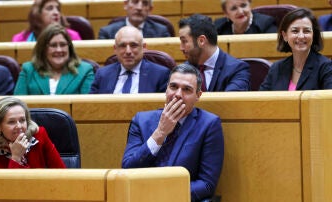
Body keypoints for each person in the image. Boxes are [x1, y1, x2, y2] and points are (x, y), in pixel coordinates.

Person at [122, 63, 224, 201]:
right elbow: (128, 169)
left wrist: (165, 195)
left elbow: (207, 184)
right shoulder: (141, 120)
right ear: (166, 89)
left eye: (187, 89)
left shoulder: (208, 124)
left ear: (198, 95)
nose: (177, 95)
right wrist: (160, 132)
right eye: (173, 87)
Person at [0, 97, 66, 168]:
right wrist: (16, 157)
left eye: (22, 120)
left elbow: (62, 173)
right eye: (11, 122)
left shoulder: (39, 136)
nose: (19, 126)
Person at [260, 8, 332, 91]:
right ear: (285, 36)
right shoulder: (277, 68)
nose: (301, 36)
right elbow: (262, 101)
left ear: (313, 35)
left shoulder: (326, 67)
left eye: (306, 31)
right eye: (295, 31)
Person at [14, 24, 94, 95]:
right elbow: (18, 105)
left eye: (63, 45)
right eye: (53, 45)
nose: (59, 50)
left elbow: (87, 107)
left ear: (69, 47)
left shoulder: (85, 71)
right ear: (43, 48)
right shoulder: (28, 70)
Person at [178, 14, 250, 91]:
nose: (181, 48)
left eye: (184, 41)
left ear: (201, 41)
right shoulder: (181, 70)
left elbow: (230, 102)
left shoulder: (237, 69)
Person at [90, 26, 170, 94]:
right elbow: (90, 106)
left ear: (144, 47)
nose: (128, 51)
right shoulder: (102, 74)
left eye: (133, 45)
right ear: (115, 49)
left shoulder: (160, 74)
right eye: (122, 46)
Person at [12, 0, 81, 42]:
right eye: (50, 8)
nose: (56, 12)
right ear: (37, 14)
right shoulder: (20, 39)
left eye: (58, 9)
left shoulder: (73, 37)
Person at [98, 0, 170, 39]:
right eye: (135, 2)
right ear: (126, 5)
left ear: (150, 9)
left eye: (145, 3)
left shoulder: (161, 32)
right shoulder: (107, 33)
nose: (139, 8)